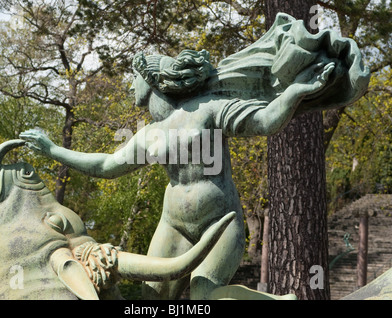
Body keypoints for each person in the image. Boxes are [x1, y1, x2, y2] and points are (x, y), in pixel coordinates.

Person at [20, 13, 369, 299]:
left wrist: (295, 91)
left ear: (152, 79)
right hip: (173, 225)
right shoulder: (151, 134)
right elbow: (106, 165)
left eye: (134, 79)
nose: (130, 87)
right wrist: (54, 150)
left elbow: (264, 121)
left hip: (220, 223)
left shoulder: (209, 109)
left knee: (205, 294)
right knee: (150, 298)